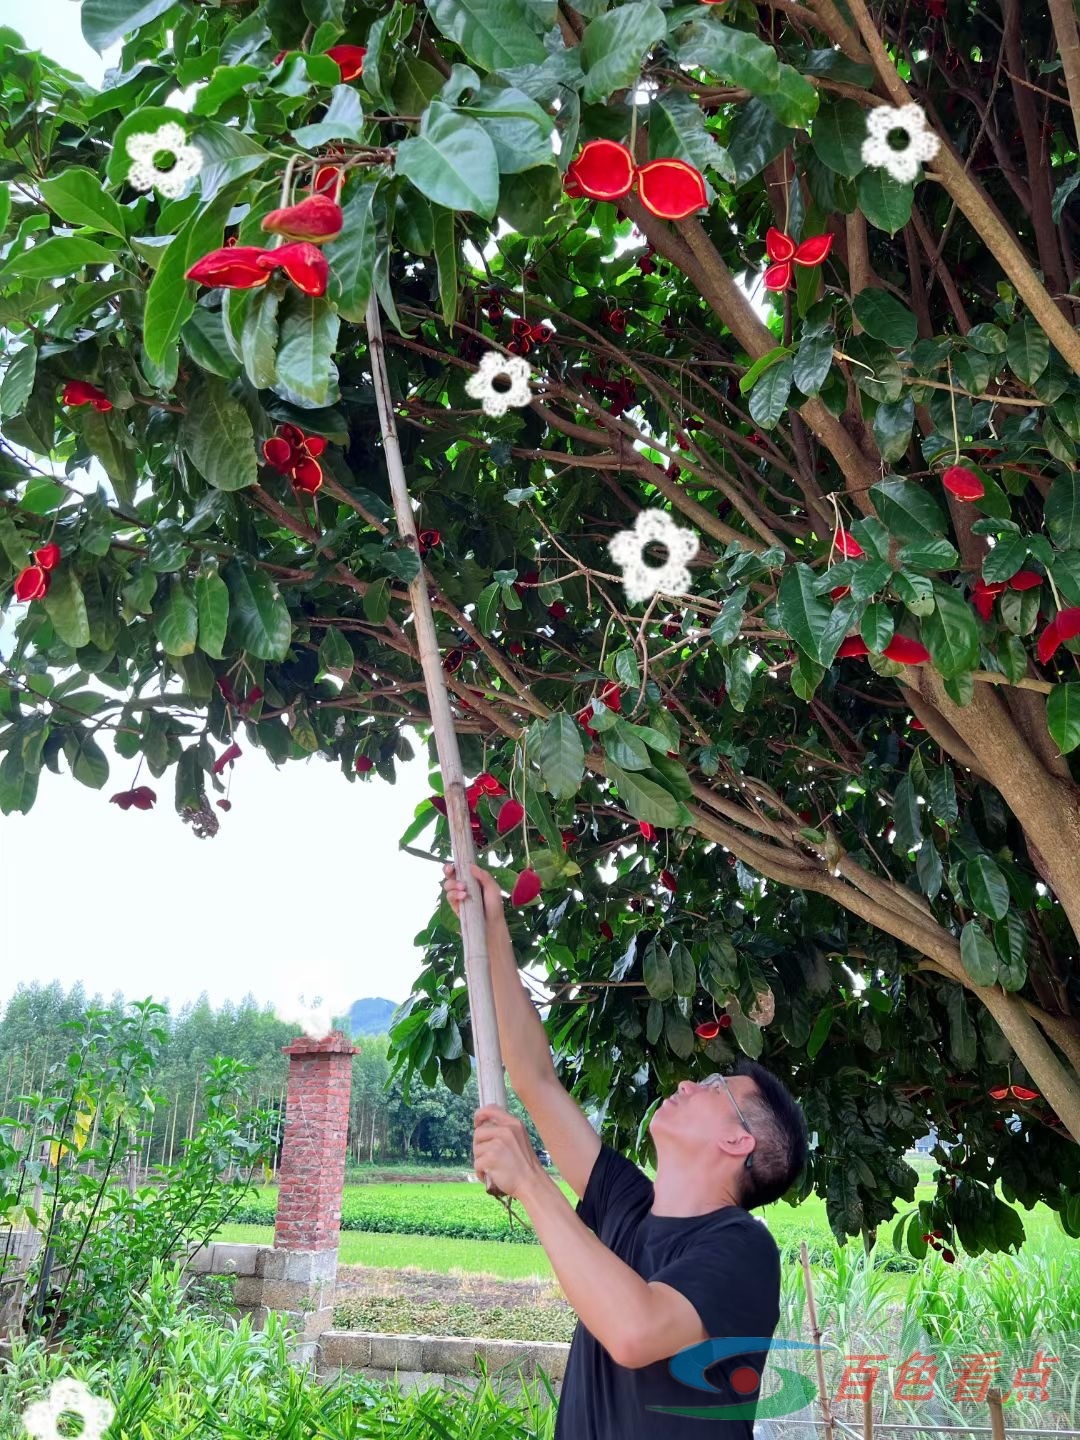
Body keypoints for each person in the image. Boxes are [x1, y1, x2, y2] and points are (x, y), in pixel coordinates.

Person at [442, 862, 809, 1440]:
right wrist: (493, 929)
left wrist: (533, 1184)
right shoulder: (625, 1205)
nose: (689, 1084)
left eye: (715, 1090)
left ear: (739, 1141)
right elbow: (534, 1077)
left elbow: (636, 1330)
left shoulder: (743, 1251)